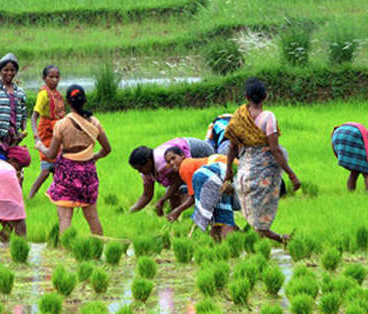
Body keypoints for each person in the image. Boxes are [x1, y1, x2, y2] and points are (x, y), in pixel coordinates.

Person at [223, 78, 301, 244]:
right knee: (260, 222)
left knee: (255, 218)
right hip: (263, 176)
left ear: (246, 96)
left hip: (244, 176)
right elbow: (275, 150)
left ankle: (257, 243)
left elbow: (231, 148)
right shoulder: (268, 117)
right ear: (266, 96)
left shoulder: (238, 117)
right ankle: (280, 240)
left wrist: (229, 171)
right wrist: (292, 175)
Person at [35, 85, 111, 235]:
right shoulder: (94, 122)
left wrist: (39, 146)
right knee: (92, 217)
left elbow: (50, 154)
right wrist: (94, 156)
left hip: (66, 174)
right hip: (88, 173)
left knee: (65, 218)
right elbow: (107, 149)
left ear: (68, 103)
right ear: (85, 101)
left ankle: (66, 251)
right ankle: (98, 248)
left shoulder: (62, 124)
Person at [163, 150, 240, 240]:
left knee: (222, 215)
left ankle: (230, 241)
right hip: (224, 171)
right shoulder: (191, 165)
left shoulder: (185, 166)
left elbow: (193, 197)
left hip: (220, 172)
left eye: (173, 158)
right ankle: (233, 238)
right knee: (217, 215)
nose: (172, 162)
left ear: (182, 156)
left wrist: (177, 211)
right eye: (168, 162)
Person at [128, 136, 213, 215]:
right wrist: (130, 213)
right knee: (173, 194)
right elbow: (147, 195)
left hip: (198, 151)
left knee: (185, 189)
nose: (139, 172)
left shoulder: (162, 162)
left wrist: (162, 200)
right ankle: (177, 219)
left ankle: (192, 215)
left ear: (148, 162)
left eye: (140, 168)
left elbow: (177, 182)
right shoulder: (146, 172)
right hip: (180, 159)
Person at [28, 65, 65, 199]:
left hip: (57, 132)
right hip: (46, 132)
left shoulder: (57, 95)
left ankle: (58, 194)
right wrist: (36, 136)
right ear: (44, 78)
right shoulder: (43, 94)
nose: (54, 80)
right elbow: (34, 116)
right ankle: (30, 196)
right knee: (46, 169)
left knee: (59, 167)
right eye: (51, 77)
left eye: (57, 77)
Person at [0, 53, 27, 146]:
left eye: (12, 70)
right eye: (6, 70)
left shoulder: (19, 92)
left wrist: (23, 131)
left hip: (13, 135)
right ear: (0, 71)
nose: (9, 73)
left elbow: (23, 114)